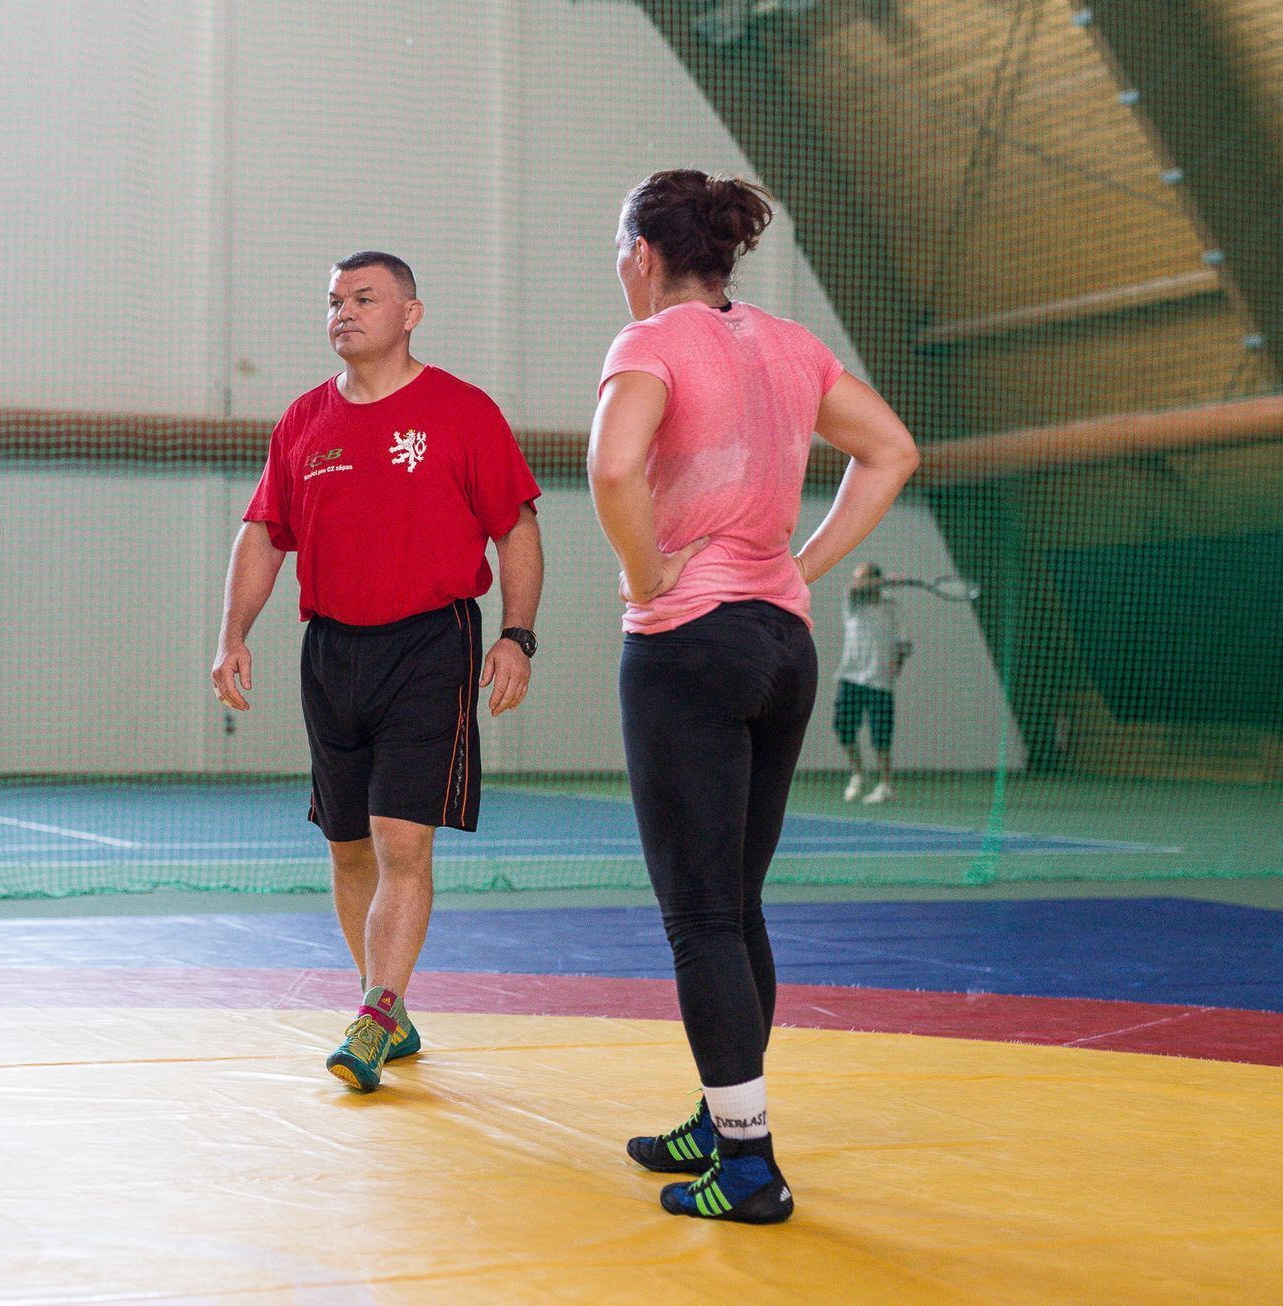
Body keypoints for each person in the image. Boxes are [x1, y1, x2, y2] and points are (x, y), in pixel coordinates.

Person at [588, 171, 918, 1221]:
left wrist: (647, 580)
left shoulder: (646, 343)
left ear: (643, 253)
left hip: (690, 643)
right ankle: (719, 1112)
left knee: (698, 916)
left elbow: (609, 471)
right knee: (734, 906)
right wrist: (800, 566)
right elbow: (892, 450)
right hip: (783, 644)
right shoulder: (789, 343)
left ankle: (747, 1163)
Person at [212, 251, 544, 1093]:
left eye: (365, 297)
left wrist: (517, 634)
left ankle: (375, 1009)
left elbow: (517, 528)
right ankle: (384, 1006)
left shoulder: (462, 411)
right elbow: (261, 535)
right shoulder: (303, 421)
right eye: (333, 300)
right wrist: (234, 634)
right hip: (331, 651)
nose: (344, 311)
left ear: (411, 313)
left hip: (432, 644)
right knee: (348, 842)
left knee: (403, 837)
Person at [836, 561, 911, 804]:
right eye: (857, 577)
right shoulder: (853, 603)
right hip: (851, 676)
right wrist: (887, 579)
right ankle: (859, 774)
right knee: (843, 728)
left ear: (874, 578)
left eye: (863, 577)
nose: (858, 582)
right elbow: (851, 589)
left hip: (880, 681)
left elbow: (904, 642)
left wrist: (897, 663)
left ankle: (885, 785)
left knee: (881, 735)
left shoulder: (892, 607)